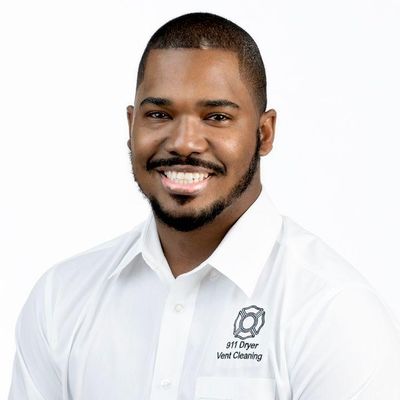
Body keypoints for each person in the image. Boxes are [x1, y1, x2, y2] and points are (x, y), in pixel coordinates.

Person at [9, 12, 400, 400]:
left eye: (216, 117)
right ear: (131, 126)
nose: (183, 142)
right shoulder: (61, 299)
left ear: (264, 133)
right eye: (159, 114)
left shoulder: (334, 313)